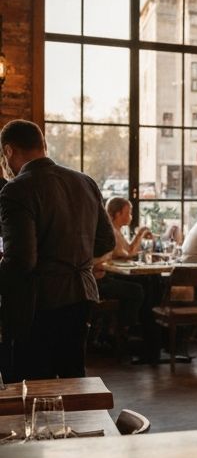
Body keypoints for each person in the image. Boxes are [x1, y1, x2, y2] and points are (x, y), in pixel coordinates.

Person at [0, 119, 115, 379]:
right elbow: (106, 241)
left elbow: (21, 261)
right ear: (44, 146)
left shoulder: (16, 189)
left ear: (8, 151)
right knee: (72, 377)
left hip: (38, 303)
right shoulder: (84, 181)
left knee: (30, 382)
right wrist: (78, 258)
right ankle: (76, 421)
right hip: (82, 296)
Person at [92, 198, 154, 353]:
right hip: (99, 280)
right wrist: (141, 233)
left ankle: (125, 330)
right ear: (118, 213)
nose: (131, 216)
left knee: (143, 285)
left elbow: (127, 252)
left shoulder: (115, 230)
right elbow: (129, 254)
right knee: (138, 290)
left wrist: (139, 235)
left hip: (105, 276)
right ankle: (123, 330)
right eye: (129, 212)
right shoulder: (112, 232)